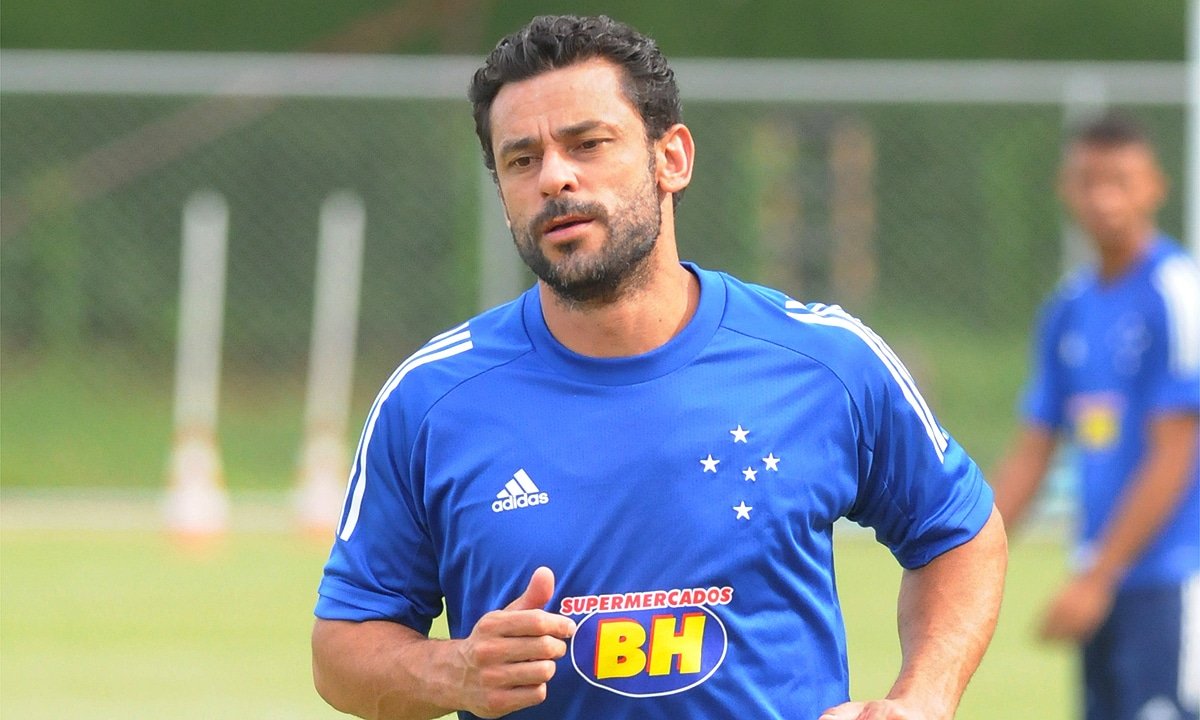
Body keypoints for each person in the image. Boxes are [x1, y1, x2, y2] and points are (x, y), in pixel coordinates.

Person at [311, 14, 1006, 720]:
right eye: (522, 159)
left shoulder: (824, 360)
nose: (555, 177)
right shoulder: (432, 399)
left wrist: (923, 699)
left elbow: (961, 533)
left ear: (671, 157)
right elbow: (341, 647)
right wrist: (451, 672)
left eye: (587, 144)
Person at [992, 113, 1200, 720]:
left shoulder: (1177, 293)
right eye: (1088, 180)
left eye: (1121, 180)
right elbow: (1035, 448)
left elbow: (1176, 453)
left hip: (1172, 582)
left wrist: (1098, 578)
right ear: (1065, 189)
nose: (1104, 197)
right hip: (1103, 576)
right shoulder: (1069, 308)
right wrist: (968, 554)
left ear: (1154, 186)